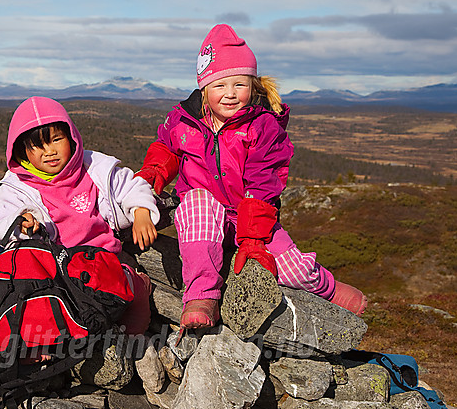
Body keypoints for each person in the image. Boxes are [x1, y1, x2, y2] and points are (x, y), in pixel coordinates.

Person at [135, 24, 367, 329]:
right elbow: (167, 147)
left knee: (292, 269)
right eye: (220, 86)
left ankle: (327, 286)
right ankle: (201, 297)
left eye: (239, 85)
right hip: (205, 211)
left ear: (253, 85)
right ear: (204, 88)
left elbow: (262, 186)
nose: (230, 94)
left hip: (251, 211)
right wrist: (154, 172)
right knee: (196, 203)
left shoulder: (262, 126)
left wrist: (253, 240)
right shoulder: (185, 119)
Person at [0, 96, 159, 335]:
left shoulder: (94, 168)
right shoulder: (16, 187)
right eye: (38, 146)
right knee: (46, 301)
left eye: (56, 140)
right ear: (22, 151)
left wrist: (141, 212)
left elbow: (131, 185)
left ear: (71, 137)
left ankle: (137, 287)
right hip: (58, 267)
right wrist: (20, 222)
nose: (49, 151)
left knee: (131, 321)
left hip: (104, 257)